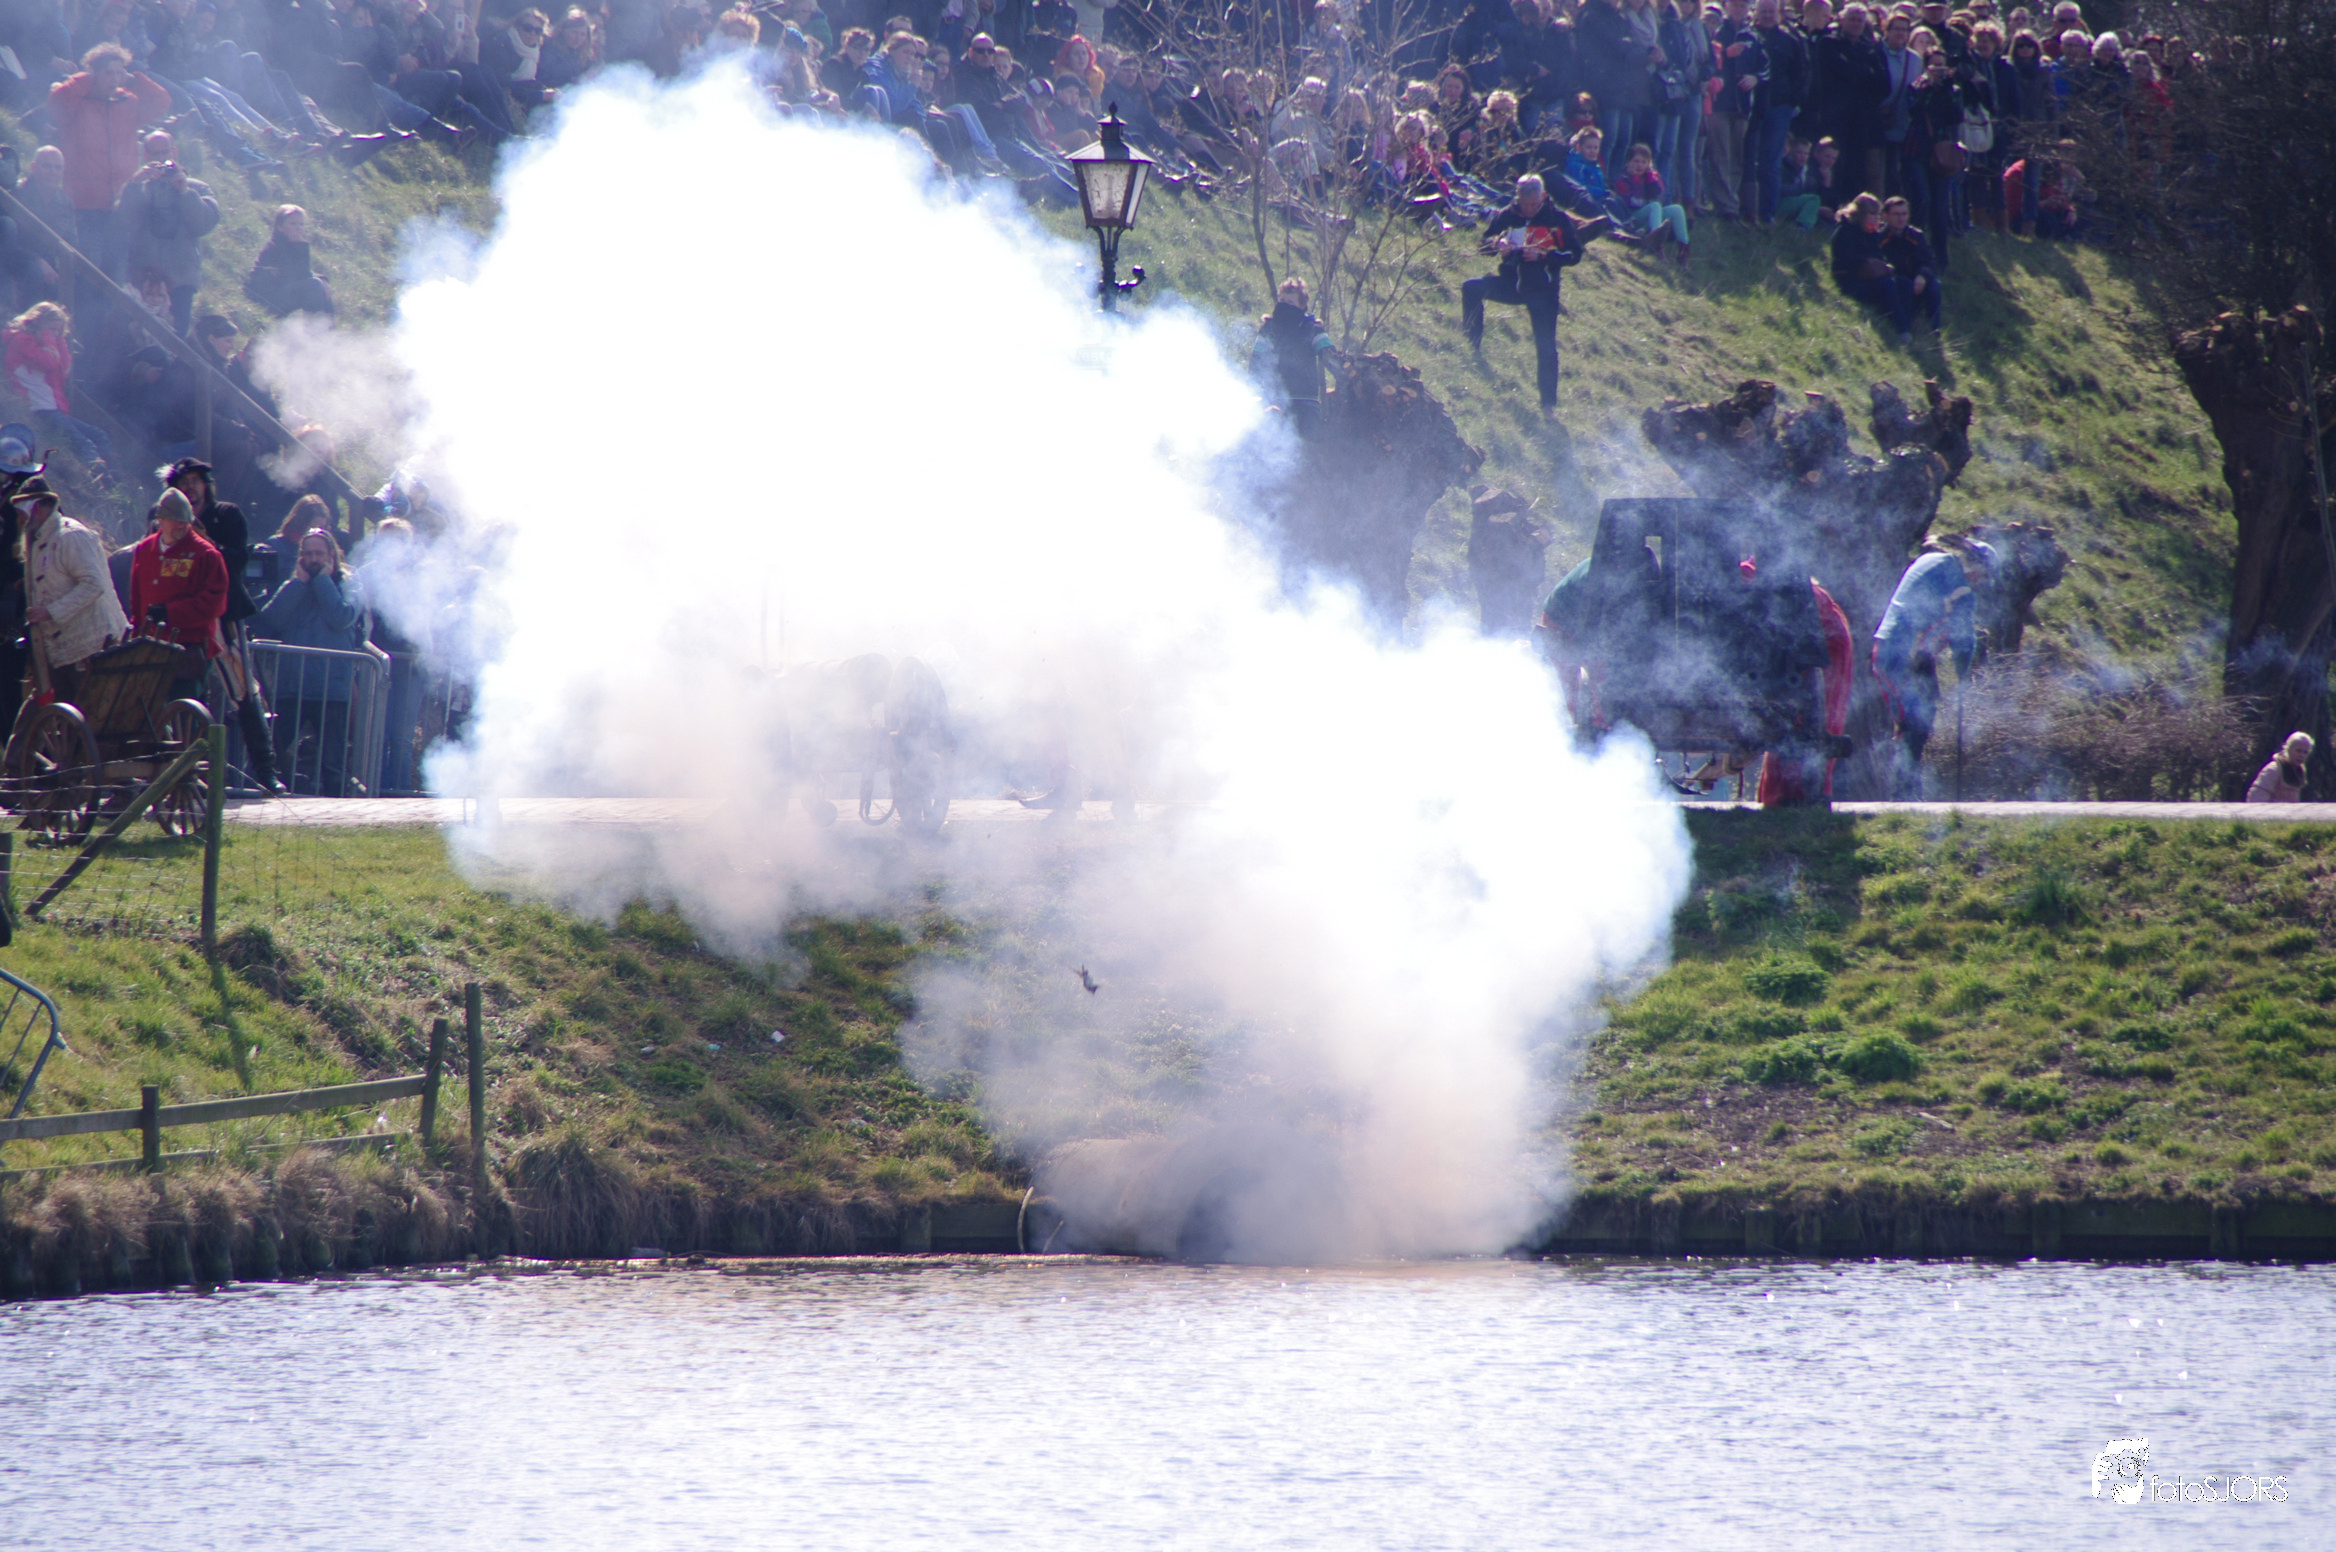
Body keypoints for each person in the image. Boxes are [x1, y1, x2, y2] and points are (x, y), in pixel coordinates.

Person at [167, 455, 283, 792]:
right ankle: (184, 773)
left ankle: (265, 771)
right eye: (183, 484)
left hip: (221, 612)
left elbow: (238, 559)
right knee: (185, 691)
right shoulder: (167, 520)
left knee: (242, 689)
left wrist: (207, 543)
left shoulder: (227, 516)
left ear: (206, 485)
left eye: (194, 482)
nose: (190, 488)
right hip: (182, 614)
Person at [1871, 539, 1994, 794]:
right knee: (1916, 722)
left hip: (1898, 651)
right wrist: (1963, 676)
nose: (1981, 582)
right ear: (1976, 566)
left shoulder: (1930, 560)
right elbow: (1963, 641)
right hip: (1901, 655)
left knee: (1919, 717)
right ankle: (1903, 793)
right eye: (1984, 575)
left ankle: (1906, 788)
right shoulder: (1962, 590)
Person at [254, 525, 368, 795]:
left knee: (332, 766)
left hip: (332, 690)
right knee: (270, 753)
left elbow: (342, 617)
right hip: (293, 687)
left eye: (319, 553)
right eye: (307, 553)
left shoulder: (350, 583)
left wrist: (322, 581)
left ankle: (336, 814)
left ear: (331, 555)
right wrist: (299, 584)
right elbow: (272, 618)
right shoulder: (295, 584)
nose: (313, 559)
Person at [1461, 173, 1584, 419]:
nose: (1528, 209)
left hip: (1543, 292)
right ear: (1517, 198)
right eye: (1524, 204)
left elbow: (1575, 254)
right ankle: (1471, 347)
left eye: (1533, 204)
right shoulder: (1507, 215)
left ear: (1543, 197)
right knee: (1470, 288)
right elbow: (1484, 242)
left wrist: (1544, 257)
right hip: (1511, 284)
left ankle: (1548, 406)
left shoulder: (1557, 219)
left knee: (1546, 347)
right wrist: (1497, 244)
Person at [46, 43, 172, 283]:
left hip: (121, 206)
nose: (115, 79)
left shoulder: (128, 102)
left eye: (118, 73)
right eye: (108, 73)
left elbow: (162, 101)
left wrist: (134, 80)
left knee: (115, 275)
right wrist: (86, 78)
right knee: (87, 274)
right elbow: (57, 103)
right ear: (94, 73)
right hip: (84, 206)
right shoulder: (77, 102)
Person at [17, 476, 129, 701]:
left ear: (36, 509)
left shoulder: (71, 536)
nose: (19, 519)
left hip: (92, 649)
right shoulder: (38, 542)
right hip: (62, 653)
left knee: (89, 714)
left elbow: (93, 584)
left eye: (22, 512)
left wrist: (50, 612)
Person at [114, 132, 220, 336]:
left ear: (174, 152)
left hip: (181, 279)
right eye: (155, 154)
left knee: (176, 339)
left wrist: (184, 192)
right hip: (143, 279)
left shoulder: (197, 188)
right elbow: (123, 222)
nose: (161, 159)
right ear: (146, 155)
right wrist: (135, 185)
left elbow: (204, 225)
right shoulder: (137, 187)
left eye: (165, 153)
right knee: (135, 337)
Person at [128, 485, 228, 700]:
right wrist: (136, 634)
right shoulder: (144, 550)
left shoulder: (206, 554)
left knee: (182, 711)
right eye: (176, 521)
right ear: (161, 520)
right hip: (150, 649)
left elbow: (213, 604)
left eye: (186, 521)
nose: (182, 525)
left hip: (188, 651)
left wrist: (169, 613)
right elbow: (137, 598)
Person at [4, 301, 113, 473]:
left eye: (58, 330)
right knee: (83, 443)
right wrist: (49, 338)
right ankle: (101, 477)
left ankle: (116, 476)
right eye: (51, 328)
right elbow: (49, 363)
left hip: (51, 406)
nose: (54, 334)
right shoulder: (22, 339)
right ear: (37, 322)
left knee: (98, 435)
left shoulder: (48, 344)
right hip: (37, 406)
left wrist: (61, 342)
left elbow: (64, 370)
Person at [1250, 276, 1339, 437]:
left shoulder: (1312, 328)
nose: (1284, 306)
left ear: (1302, 306)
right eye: (1282, 301)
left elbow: (1330, 357)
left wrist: (1345, 377)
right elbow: (1256, 362)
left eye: (1290, 302)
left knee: (1307, 444)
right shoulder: (1268, 329)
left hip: (1305, 402)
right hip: (1274, 399)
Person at [1830, 190, 1913, 342]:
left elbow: (1879, 256)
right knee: (1887, 284)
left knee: (1904, 284)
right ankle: (1900, 330)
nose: (1876, 217)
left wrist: (1882, 266)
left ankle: (1907, 326)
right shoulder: (1845, 230)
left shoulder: (1873, 234)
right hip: (1850, 280)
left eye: (1878, 214)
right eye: (1872, 213)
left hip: (1871, 278)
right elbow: (1845, 258)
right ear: (1860, 214)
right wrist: (1867, 263)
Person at [245, 205, 335, 317]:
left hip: (283, 292)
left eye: (301, 224)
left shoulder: (291, 245)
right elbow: (299, 275)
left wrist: (323, 280)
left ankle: (328, 326)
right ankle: (315, 326)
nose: (298, 228)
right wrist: (300, 247)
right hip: (267, 299)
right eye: (293, 224)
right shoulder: (274, 247)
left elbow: (303, 272)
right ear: (280, 227)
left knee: (323, 287)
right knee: (314, 285)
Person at [1612, 141, 1689, 262]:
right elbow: (1634, 202)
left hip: (1652, 213)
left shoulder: (1651, 178)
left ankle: (1683, 253)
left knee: (1677, 209)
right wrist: (1636, 179)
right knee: (1654, 206)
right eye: (1636, 161)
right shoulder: (1624, 179)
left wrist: (1652, 179)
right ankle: (1657, 246)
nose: (1640, 165)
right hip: (1632, 217)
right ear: (1629, 162)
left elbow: (1661, 197)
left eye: (1644, 162)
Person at [1878, 192, 1943, 334]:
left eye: (1904, 214)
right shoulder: (1879, 238)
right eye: (1896, 214)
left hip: (1917, 284)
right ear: (1885, 216)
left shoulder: (1917, 236)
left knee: (1935, 285)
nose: (1901, 219)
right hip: (1897, 285)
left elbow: (1930, 262)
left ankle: (1934, 329)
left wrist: (1922, 276)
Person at [2246, 733, 2312, 804]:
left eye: (2305, 752)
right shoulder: (2273, 770)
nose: (2301, 755)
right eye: (2298, 750)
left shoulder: (2299, 772)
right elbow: (2256, 797)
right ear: (2288, 749)